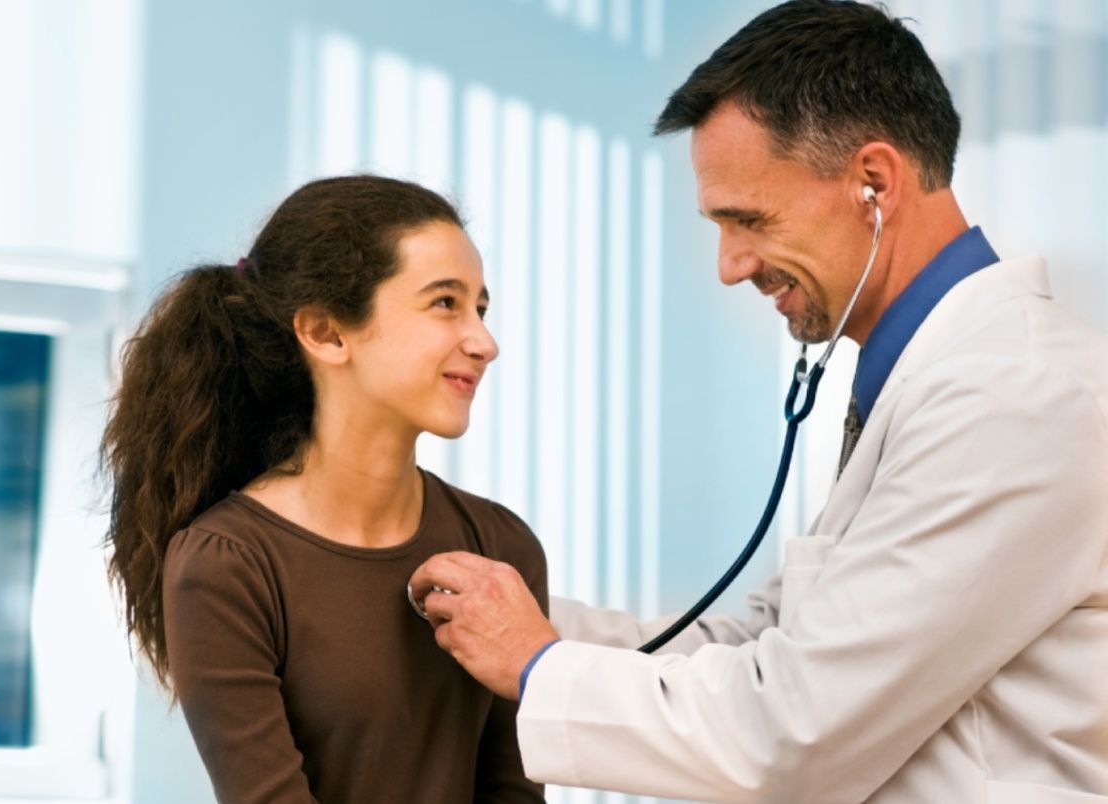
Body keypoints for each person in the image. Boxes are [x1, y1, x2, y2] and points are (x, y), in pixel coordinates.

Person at [409, 1, 1108, 801]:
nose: (730, 266)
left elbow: (790, 733)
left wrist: (535, 661)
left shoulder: (1011, 394)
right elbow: (757, 650)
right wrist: (510, 623)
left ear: (873, 184)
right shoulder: (936, 383)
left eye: (749, 220)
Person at [102, 175, 547, 803]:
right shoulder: (227, 564)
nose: (484, 342)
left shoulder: (501, 545)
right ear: (325, 332)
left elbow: (515, 795)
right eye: (445, 303)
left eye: (480, 307)